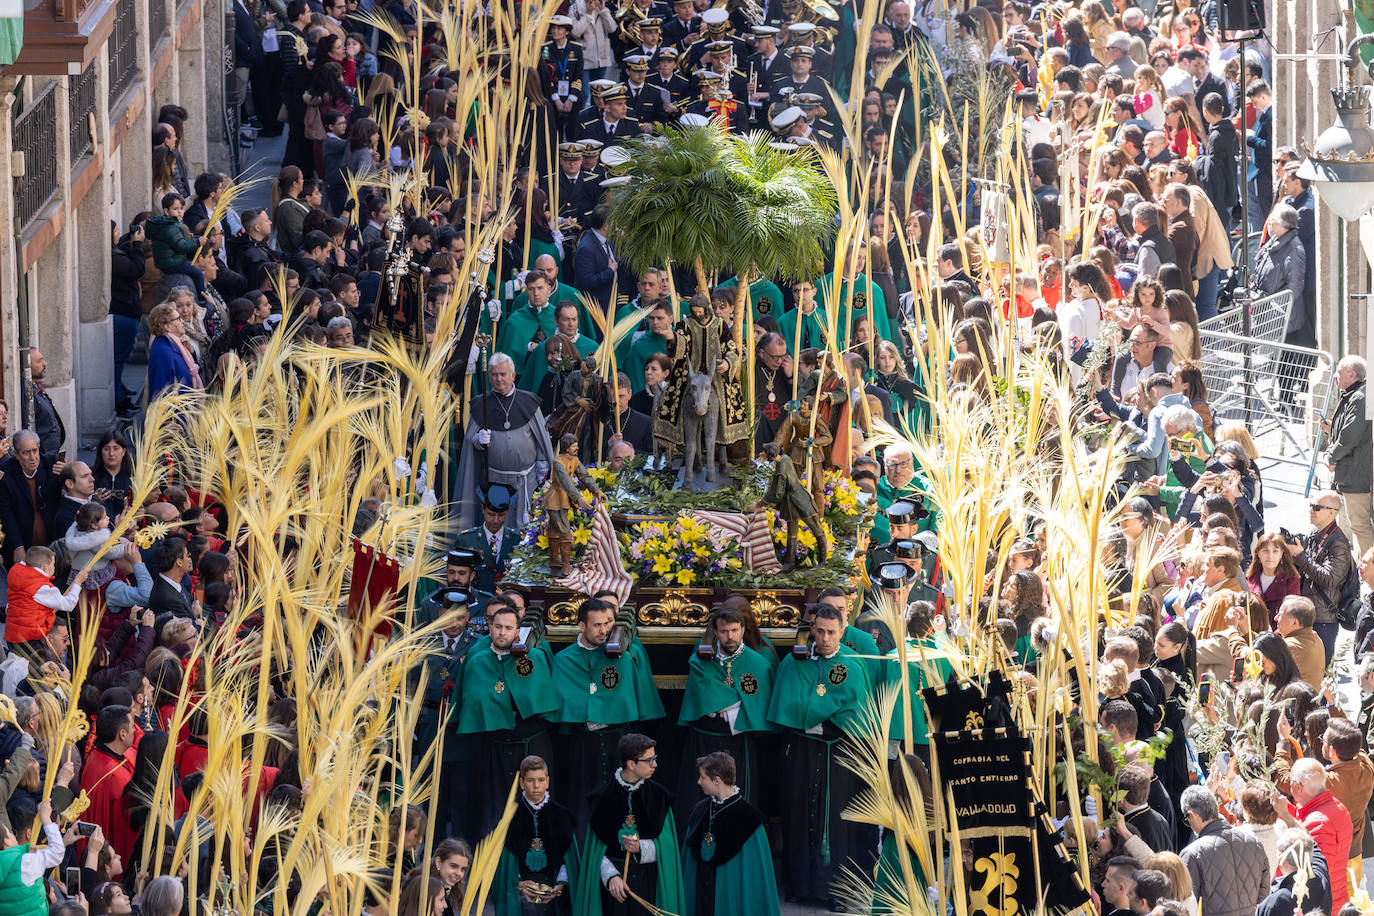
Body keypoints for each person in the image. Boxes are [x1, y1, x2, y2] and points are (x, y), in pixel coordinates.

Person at [766, 602, 876, 907]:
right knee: (798, 815)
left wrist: (818, 722)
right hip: (801, 754)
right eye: (820, 631)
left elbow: (857, 713)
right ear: (812, 630)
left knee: (837, 822)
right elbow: (785, 704)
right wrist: (813, 721)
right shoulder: (794, 662)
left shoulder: (852, 665)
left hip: (837, 757)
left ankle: (835, 891)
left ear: (842, 632)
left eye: (831, 632)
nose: (825, 638)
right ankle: (799, 885)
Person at [550, 599, 665, 832]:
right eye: (597, 625)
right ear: (582, 626)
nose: (604, 630)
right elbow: (564, 701)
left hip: (618, 743)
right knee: (584, 804)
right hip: (584, 746)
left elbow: (630, 698)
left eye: (607, 623)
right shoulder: (563, 659)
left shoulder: (623, 654)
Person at [450, 604, 559, 839]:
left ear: (517, 631)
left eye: (508, 628)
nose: (502, 632)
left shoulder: (535, 658)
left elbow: (545, 707)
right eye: (497, 626)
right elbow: (469, 706)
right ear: (489, 627)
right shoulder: (477, 661)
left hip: (529, 747)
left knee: (532, 810)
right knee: (492, 812)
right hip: (493, 750)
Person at [676, 606, 775, 814]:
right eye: (723, 631)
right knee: (699, 800)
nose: (730, 637)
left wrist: (723, 708)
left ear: (743, 629)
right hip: (704, 740)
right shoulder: (701, 660)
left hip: (738, 743)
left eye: (734, 630)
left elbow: (759, 706)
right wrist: (737, 701)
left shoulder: (758, 664)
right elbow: (701, 698)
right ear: (715, 631)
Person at [574, 732, 683, 916]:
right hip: (612, 892)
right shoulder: (601, 799)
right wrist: (611, 876)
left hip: (648, 885)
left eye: (655, 758)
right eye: (649, 760)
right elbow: (595, 852)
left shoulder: (660, 798)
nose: (655, 764)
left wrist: (641, 847)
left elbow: (668, 849)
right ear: (631, 764)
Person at [456, 353, 557, 530]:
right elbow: (470, 442)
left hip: (527, 481)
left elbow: (541, 438)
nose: (499, 379)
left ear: (513, 375)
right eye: (494, 374)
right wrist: (478, 440)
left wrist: (542, 465)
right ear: (489, 377)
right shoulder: (481, 404)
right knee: (498, 525)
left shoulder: (528, 402)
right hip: (496, 479)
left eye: (503, 374)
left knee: (526, 527)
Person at [681, 751, 780, 916]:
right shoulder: (698, 811)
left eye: (702, 777)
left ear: (717, 780)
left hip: (730, 901)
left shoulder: (750, 820)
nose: (698, 782)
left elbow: (754, 880)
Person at [493, 756, 575, 916]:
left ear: (547, 781)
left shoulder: (562, 815)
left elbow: (569, 860)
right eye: (530, 780)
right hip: (521, 893)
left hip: (555, 888)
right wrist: (519, 884)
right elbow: (505, 866)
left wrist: (560, 885)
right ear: (522, 783)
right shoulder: (510, 818)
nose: (536, 786)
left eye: (541, 780)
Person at [1271, 758, 1353, 912]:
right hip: (1337, 898)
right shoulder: (1336, 805)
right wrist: (1284, 810)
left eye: (1290, 781)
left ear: (1298, 787)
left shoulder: (1318, 823)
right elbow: (1303, 815)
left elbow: (1309, 869)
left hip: (1322, 907)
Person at [1177, 785, 1269, 916]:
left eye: (1187, 819)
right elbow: (1263, 894)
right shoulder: (1254, 842)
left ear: (1192, 815)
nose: (1189, 824)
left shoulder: (1192, 854)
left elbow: (1185, 907)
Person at [1288, 491, 1354, 661]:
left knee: (1320, 669)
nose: (1311, 510)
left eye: (1316, 507)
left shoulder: (1338, 543)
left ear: (1332, 512)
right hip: (1308, 612)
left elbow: (1329, 579)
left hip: (1324, 619)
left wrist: (1300, 556)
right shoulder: (1315, 533)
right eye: (1311, 506)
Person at [1324, 355, 1372, 556]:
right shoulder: (1356, 395)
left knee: (1360, 526)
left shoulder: (1360, 397)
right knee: (1360, 526)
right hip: (1357, 472)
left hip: (1358, 474)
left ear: (1352, 374)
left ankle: (1368, 570)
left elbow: (1350, 437)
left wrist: (1331, 456)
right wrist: (1330, 430)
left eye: (1339, 371)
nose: (1335, 375)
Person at [454, 483, 520, 593]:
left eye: (501, 515)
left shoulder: (517, 539)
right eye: (491, 514)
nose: (496, 520)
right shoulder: (466, 540)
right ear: (483, 509)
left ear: (508, 511)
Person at [1273, 596, 1325, 690]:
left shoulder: (1289, 646)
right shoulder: (1315, 638)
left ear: (1294, 623)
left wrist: (1243, 634)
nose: (1275, 618)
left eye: (1280, 615)